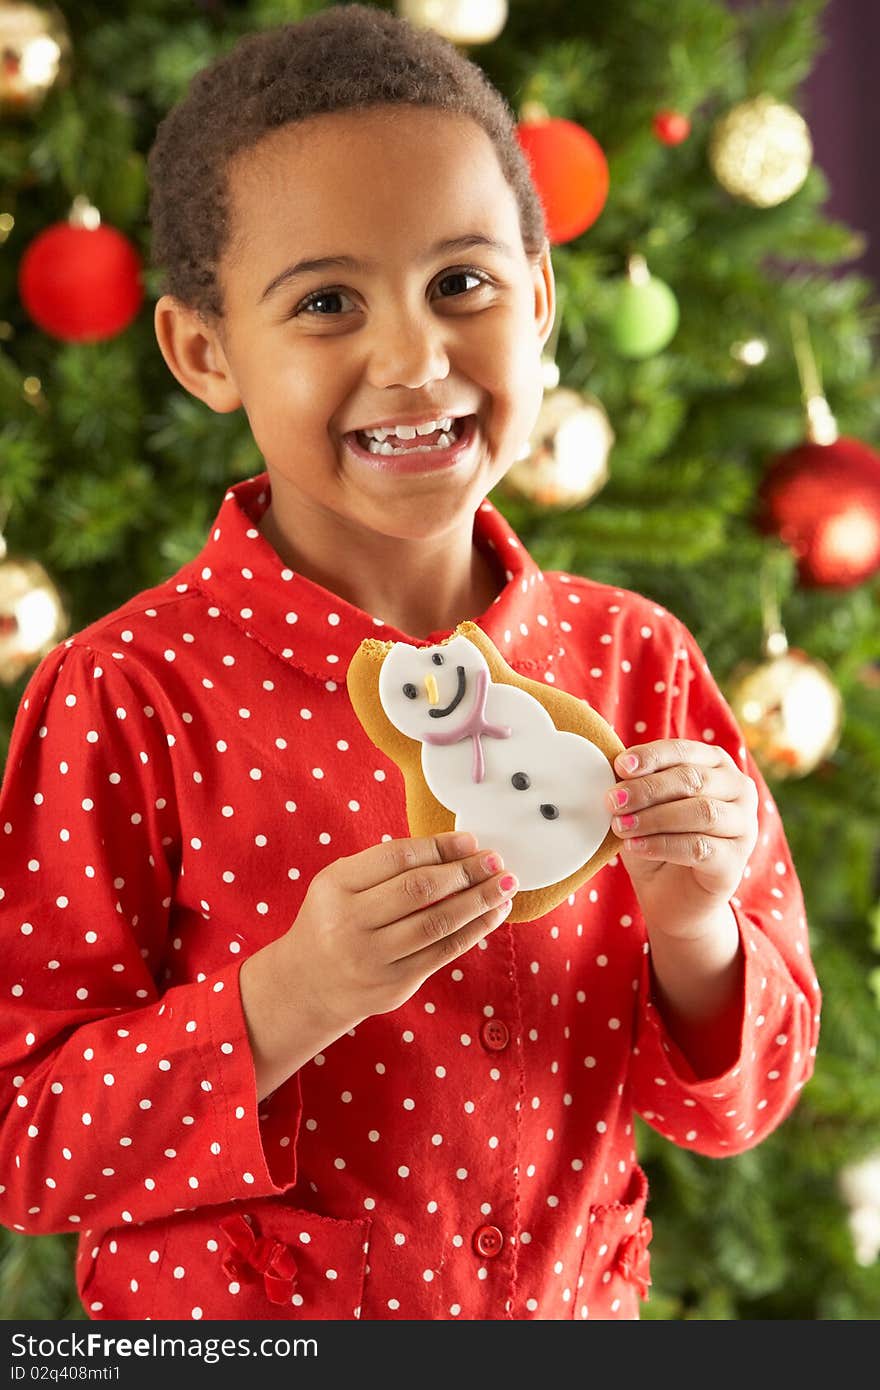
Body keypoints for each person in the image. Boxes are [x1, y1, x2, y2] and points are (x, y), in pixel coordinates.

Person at [0, 4, 820, 1322]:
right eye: (326, 302)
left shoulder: (638, 667)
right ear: (206, 352)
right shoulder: (126, 695)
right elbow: (24, 1139)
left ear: (542, 301)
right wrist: (292, 995)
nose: (413, 356)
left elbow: (742, 1101)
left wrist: (693, 929)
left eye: (464, 283)